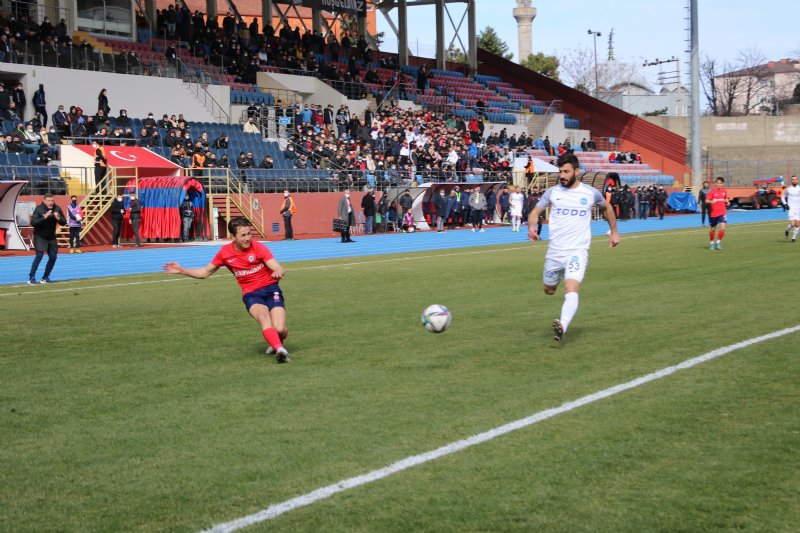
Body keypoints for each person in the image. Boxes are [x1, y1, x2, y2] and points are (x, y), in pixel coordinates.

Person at [163, 217, 291, 363]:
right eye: (243, 235)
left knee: (280, 329)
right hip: (251, 294)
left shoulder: (258, 248)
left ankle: (278, 341)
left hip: (271, 289)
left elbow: (277, 266)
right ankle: (280, 350)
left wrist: (279, 272)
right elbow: (205, 272)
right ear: (233, 237)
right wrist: (182, 270)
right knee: (263, 318)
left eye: (249, 233)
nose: (248, 238)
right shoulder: (225, 253)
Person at [528, 153, 620, 341]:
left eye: (566, 171)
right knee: (549, 290)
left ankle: (563, 324)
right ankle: (561, 277)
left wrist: (614, 232)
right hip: (555, 252)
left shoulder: (590, 193)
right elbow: (535, 212)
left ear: (577, 171)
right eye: (560, 171)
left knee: (571, 288)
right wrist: (531, 226)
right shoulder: (552, 192)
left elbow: (607, 208)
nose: (562, 175)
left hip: (577, 251)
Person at [28, 193, 67, 284]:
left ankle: (45, 277)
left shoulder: (57, 208)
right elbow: (33, 223)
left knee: (53, 257)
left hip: (51, 237)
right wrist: (44, 217)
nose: (51, 202)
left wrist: (58, 218)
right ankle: (31, 277)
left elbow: (64, 222)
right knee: (39, 256)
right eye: (49, 201)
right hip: (40, 236)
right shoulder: (39, 209)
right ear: (44, 201)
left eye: (52, 200)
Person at [706, 176, 730, 250]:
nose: (719, 184)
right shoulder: (712, 192)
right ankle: (712, 242)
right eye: (717, 183)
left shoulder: (724, 191)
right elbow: (706, 200)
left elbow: (726, 198)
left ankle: (718, 242)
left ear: (722, 184)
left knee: (723, 228)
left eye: (720, 183)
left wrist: (727, 201)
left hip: (722, 213)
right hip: (714, 214)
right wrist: (711, 201)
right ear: (716, 183)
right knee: (713, 229)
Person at [782, 175, 800, 242]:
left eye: (795, 179)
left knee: (797, 224)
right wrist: (785, 204)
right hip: (791, 209)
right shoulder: (788, 189)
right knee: (792, 224)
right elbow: (783, 197)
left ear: (797, 180)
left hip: (798, 209)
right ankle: (787, 231)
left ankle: (793, 238)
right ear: (791, 181)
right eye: (793, 179)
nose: (794, 181)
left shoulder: (799, 188)